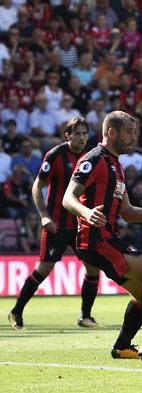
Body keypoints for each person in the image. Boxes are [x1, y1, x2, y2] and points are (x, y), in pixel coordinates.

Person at [61, 111, 142, 363]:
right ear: (111, 132)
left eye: (134, 132)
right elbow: (67, 197)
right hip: (97, 238)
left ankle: (122, 347)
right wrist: (86, 212)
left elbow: (126, 211)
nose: (133, 137)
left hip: (106, 237)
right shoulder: (94, 158)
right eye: (129, 131)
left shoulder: (116, 164)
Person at [7, 117, 103, 330]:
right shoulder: (55, 155)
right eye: (77, 133)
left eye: (84, 133)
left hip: (80, 223)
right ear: (67, 135)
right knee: (44, 268)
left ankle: (85, 316)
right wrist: (44, 215)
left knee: (93, 267)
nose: (81, 137)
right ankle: (16, 311)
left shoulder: (91, 156)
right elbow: (36, 187)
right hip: (57, 223)